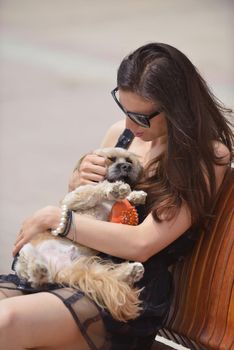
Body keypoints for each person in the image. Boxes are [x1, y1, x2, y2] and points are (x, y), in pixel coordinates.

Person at [0, 43, 233, 350]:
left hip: (125, 292)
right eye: (124, 110)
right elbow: (93, 208)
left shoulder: (206, 155)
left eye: (141, 116)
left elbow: (142, 243)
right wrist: (77, 181)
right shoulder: (120, 135)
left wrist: (57, 219)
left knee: (6, 323)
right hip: (75, 266)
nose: (129, 125)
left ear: (177, 107)